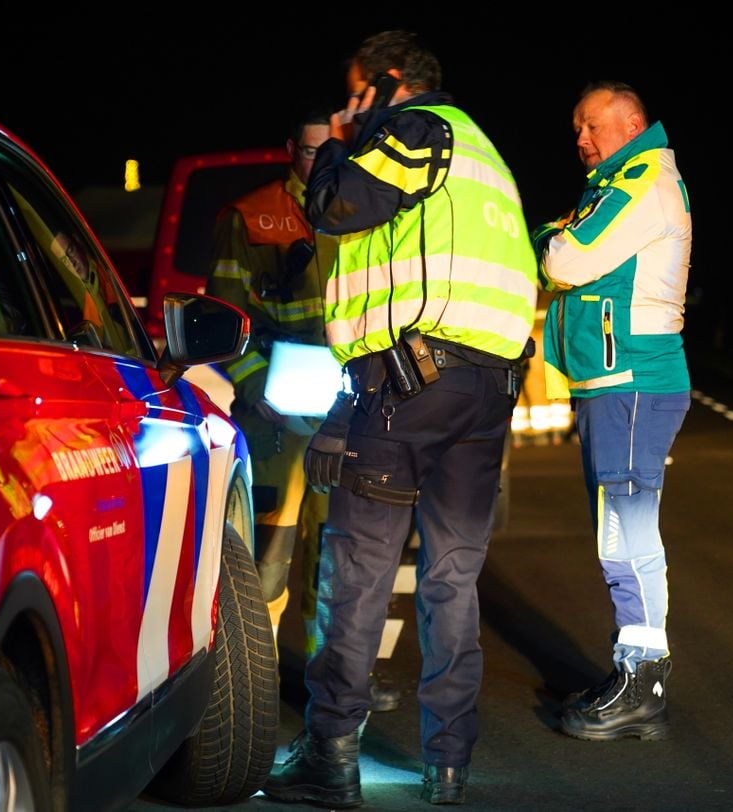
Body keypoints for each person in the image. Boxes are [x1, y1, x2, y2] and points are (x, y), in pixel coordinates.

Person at [262, 31, 537, 807]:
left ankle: (330, 755)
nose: (350, 105)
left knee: (357, 573)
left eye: (356, 91)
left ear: (387, 81)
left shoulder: (413, 129)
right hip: (484, 392)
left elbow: (337, 206)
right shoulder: (485, 153)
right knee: (453, 579)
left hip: (407, 388)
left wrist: (336, 143)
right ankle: (449, 765)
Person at [204, 108, 401, 714]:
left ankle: (340, 684)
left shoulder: (369, 211)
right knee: (268, 556)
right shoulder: (251, 216)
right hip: (280, 411)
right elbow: (223, 317)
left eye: (333, 150)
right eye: (314, 151)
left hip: (351, 407)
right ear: (292, 149)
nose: (323, 162)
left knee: (343, 558)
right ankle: (254, 692)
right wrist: (255, 388)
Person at [532, 80, 692, 742]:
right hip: (614, 381)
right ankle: (633, 669)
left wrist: (552, 233)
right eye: (576, 128)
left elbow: (568, 260)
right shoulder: (615, 184)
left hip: (632, 381)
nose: (580, 138)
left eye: (591, 125)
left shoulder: (639, 181)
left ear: (630, 125)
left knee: (625, 532)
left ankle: (642, 681)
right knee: (619, 530)